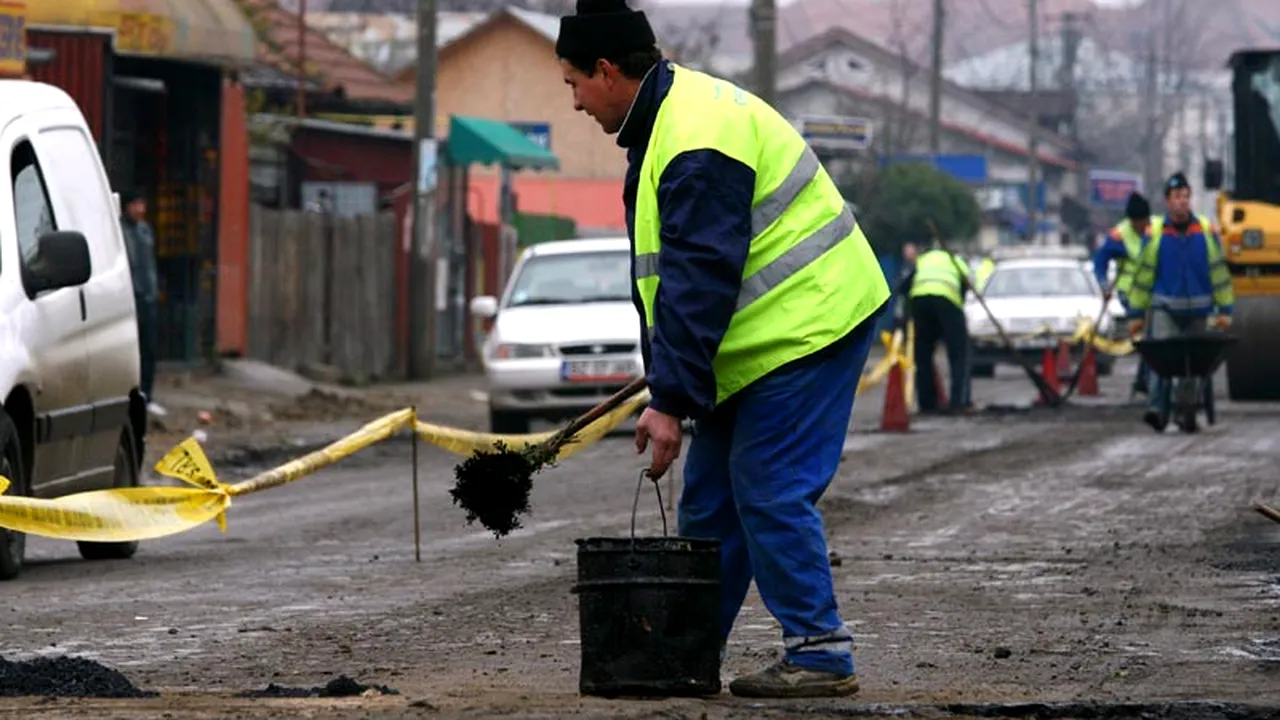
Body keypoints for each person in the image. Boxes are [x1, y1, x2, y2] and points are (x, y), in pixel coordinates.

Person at [556, 0, 889, 698]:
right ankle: (684, 654)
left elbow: (699, 282)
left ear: (608, 71)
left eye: (574, 84)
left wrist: (671, 401)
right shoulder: (671, 123)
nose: (577, 102)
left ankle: (821, 652)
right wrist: (671, 386)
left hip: (808, 324)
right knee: (708, 504)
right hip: (763, 340)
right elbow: (677, 282)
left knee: (768, 485)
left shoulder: (694, 140)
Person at [1127, 172, 1233, 432]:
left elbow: (1219, 274)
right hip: (1165, 308)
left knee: (1195, 365)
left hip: (1199, 309)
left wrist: (1225, 311)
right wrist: (1137, 315)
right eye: (1177, 197)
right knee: (1161, 361)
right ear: (1167, 201)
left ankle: (1188, 409)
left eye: (1186, 196)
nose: (1182, 202)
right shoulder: (1155, 235)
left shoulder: (1206, 231)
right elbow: (1143, 278)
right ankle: (1156, 408)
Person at [1092, 192, 1153, 399]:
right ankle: (1146, 379)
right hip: (1131, 292)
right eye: (1137, 222)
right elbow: (1100, 262)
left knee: (1153, 336)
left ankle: (1145, 378)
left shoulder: (1157, 230)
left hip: (1155, 290)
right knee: (1148, 332)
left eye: (1144, 221)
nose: (1141, 226)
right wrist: (1104, 285)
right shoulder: (1119, 235)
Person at [902, 244, 973, 413]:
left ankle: (927, 403)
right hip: (947, 302)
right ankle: (959, 402)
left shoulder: (923, 260)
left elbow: (905, 287)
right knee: (959, 353)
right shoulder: (957, 261)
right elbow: (965, 287)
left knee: (923, 354)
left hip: (920, 302)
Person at [120, 189, 165, 417]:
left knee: (149, 348)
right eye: (136, 204)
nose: (140, 210)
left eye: (142, 205)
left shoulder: (145, 230)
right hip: (131, 298)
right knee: (131, 350)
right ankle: (132, 397)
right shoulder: (120, 231)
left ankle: (147, 395)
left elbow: (150, 265)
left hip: (148, 297)